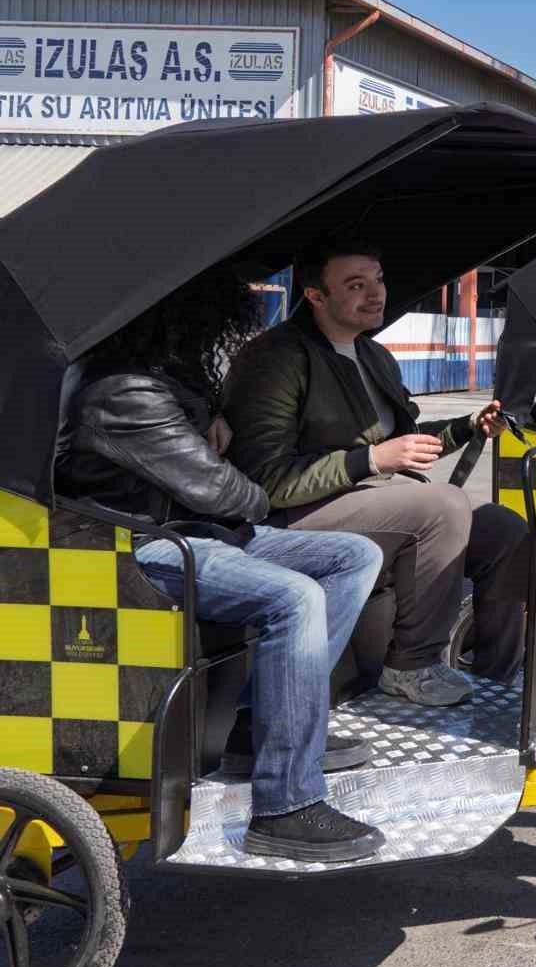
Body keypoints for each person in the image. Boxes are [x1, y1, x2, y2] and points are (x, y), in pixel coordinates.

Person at [56, 277, 386, 863]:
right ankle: (285, 806)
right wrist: (225, 458)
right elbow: (229, 493)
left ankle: (259, 727)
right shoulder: (125, 395)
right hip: (138, 546)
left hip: (190, 533)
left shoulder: (154, 381)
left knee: (354, 554)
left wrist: (212, 419)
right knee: (295, 597)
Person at [224, 237, 528, 706]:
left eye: (379, 280)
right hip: (291, 519)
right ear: (315, 296)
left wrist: (468, 426)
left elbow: (401, 442)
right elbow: (267, 480)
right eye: (355, 284)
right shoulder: (277, 358)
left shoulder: (372, 354)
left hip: (372, 499)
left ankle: (498, 679)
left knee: (505, 531)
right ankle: (412, 666)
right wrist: (370, 461)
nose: (376, 294)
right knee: (442, 506)